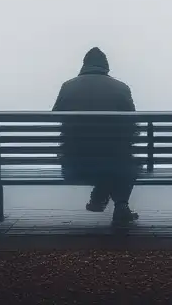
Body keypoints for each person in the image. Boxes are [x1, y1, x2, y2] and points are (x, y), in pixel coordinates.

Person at [52, 46, 140, 227]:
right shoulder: (121, 88)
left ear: (84, 65)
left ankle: (101, 194)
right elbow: (133, 123)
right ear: (106, 66)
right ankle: (119, 203)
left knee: (110, 160)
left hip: (74, 165)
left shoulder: (68, 86)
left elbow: (56, 115)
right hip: (115, 163)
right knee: (124, 161)